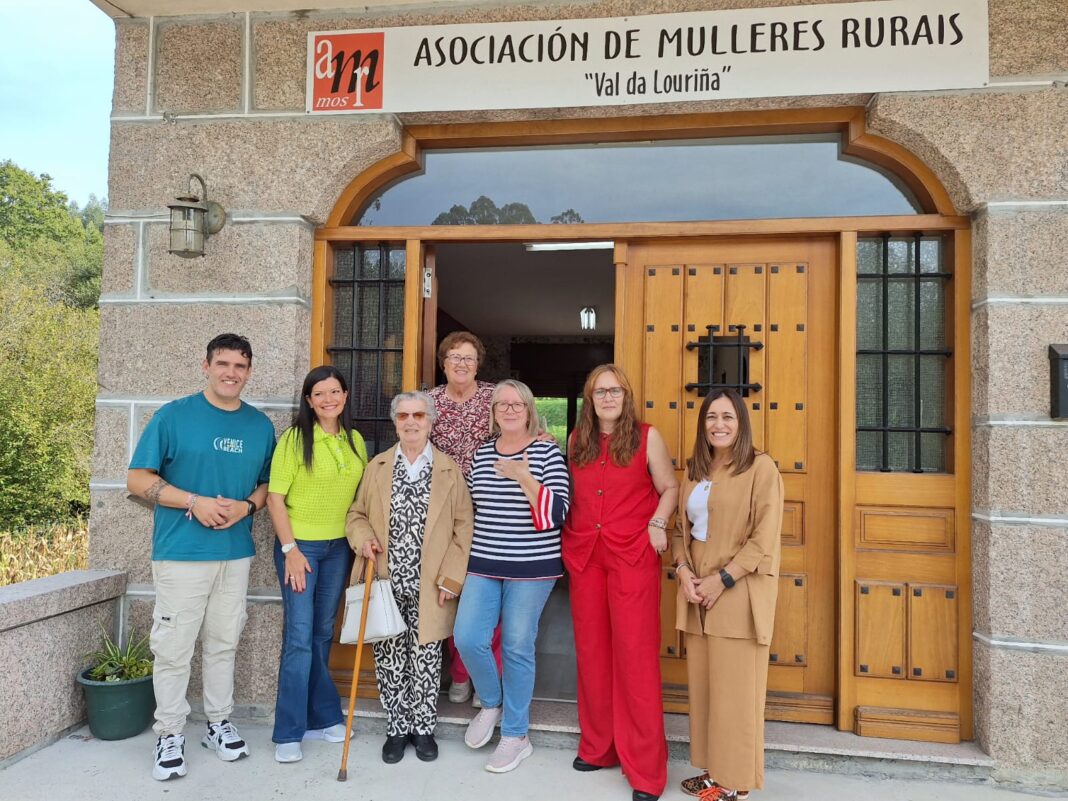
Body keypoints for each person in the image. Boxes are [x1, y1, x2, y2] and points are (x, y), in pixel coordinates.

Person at [127, 333, 276, 782]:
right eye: (223, 364)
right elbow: (137, 480)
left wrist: (247, 507)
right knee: (174, 648)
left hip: (234, 553)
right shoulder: (173, 416)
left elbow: (267, 485)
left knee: (223, 643)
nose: (231, 373)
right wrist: (194, 501)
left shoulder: (259, 426)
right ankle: (169, 733)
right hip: (182, 553)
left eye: (240, 366)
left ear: (249, 372)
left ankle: (218, 724)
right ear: (206, 366)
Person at [563, 364, 678, 801]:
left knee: (635, 657)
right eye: (600, 392)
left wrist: (658, 522)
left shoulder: (648, 437)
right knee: (592, 654)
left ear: (626, 397)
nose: (608, 398)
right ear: (590, 399)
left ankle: (646, 770)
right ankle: (599, 747)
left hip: (632, 555)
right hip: (586, 557)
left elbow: (670, 488)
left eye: (615, 391)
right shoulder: (577, 440)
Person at [345, 391, 474, 764]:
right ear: (395, 422)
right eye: (403, 416)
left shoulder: (448, 470)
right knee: (389, 657)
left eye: (419, 415)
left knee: (426, 658)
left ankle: (423, 729)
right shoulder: (378, 466)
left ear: (431, 421)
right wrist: (362, 538)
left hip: (431, 584)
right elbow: (356, 514)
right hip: (385, 579)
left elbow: (464, 526)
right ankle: (397, 729)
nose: (411, 422)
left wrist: (451, 578)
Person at [671, 388, 784, 801]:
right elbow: (681, 531)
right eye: (711, 417)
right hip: (697, 592)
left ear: (741, 423)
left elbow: (763, 538)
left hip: (738, 591)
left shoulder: (760, 468)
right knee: (706, 691)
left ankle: (735, 785)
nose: (718, 425)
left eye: (727, 417)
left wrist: (724, 578)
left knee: (736, 693)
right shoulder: (695, 469)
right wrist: (683, 571)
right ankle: (713, 773)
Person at [454, 379, 570, 774]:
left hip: (532, 567)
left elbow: (558, 513)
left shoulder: (546, 452)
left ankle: (517, 735)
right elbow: (471, 507)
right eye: (501, 404)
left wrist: (524, 475)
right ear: (493, 412)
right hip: (484, 562)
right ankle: (491, 702)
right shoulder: (482, 453)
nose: (509, 409)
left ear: (529, 409)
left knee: (517, 645)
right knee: (467, 637)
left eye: (517, 404)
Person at [266, 365, 368, 763]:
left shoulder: (354, 440)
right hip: (301, 548)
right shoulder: (295, 439)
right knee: (299, 636)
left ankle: (322, 717)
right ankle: (288, 732)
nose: (329, 399)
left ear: (345, 395)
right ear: (309, 400)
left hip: (339, 547)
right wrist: (290, 549)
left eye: (335, 391)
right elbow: (275, 498)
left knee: (323, 633)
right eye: (320, 393)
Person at [427, 330, 502, 705]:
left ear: (478, 364)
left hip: (488, 509)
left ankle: (480, 674)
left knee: (486, 593)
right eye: (454, 356)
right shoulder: (429, 402)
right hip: (442, 511)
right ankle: (458, 672)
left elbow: (522, 429)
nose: (461, 363)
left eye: (468, 357)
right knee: (449, 590)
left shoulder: (494, 398)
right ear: (443, 363)